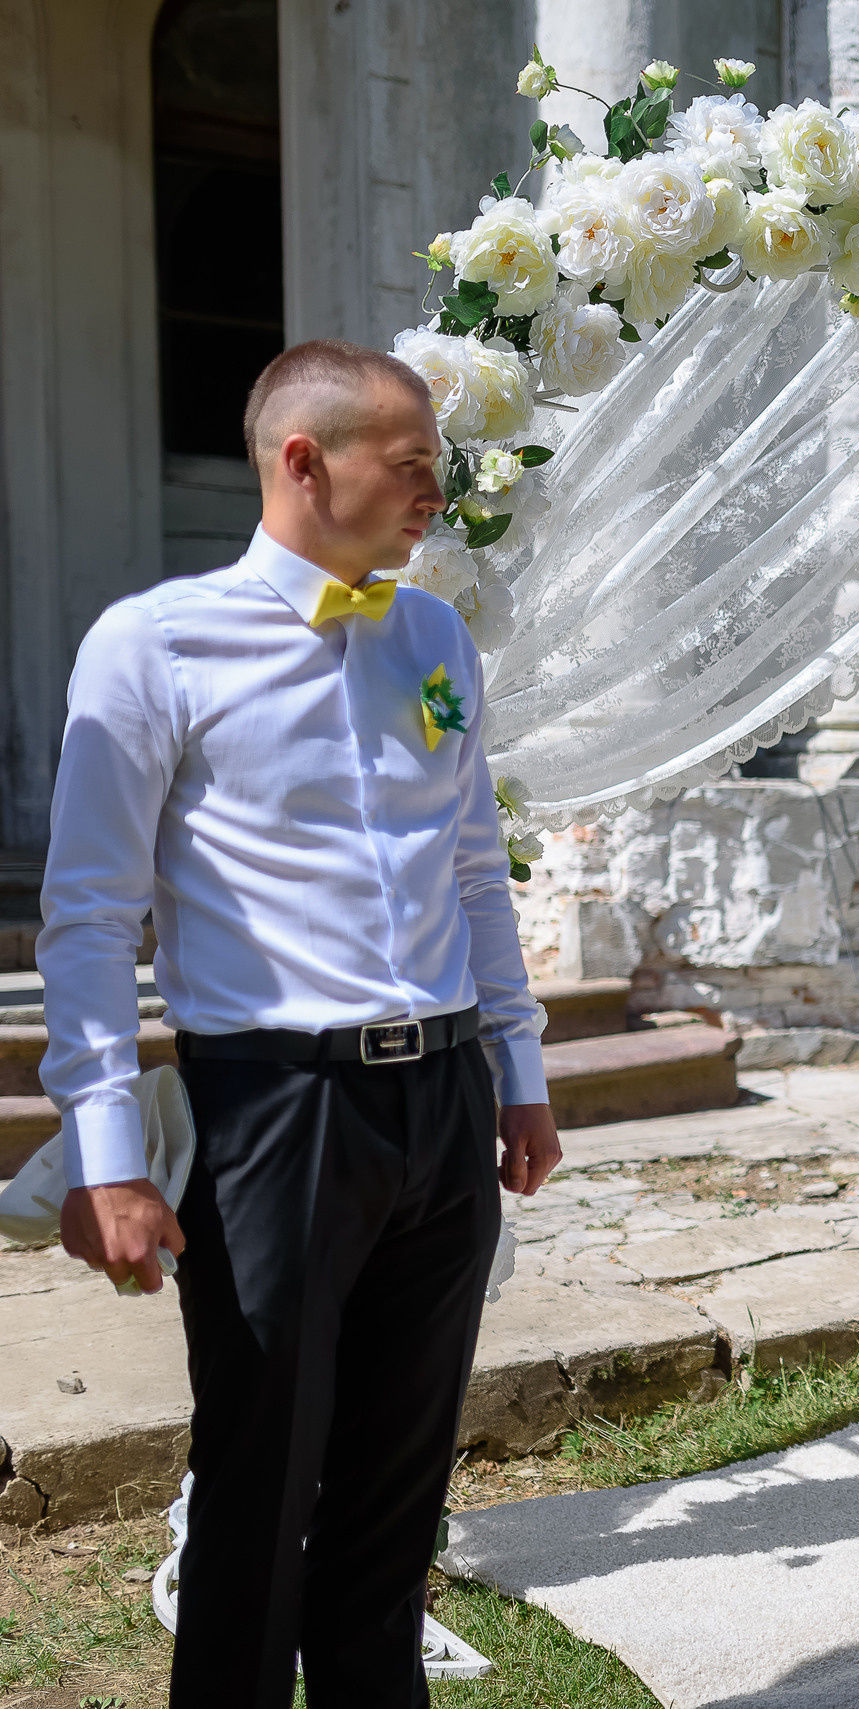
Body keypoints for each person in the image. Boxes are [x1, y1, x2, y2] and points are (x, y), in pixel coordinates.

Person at [38, 340, 558, 1706]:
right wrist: (104, 1152)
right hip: (277, 1110)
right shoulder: (153, 647)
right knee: (262, 1488)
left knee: (398, 1494)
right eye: (412, 468)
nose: (434, 495)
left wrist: (519, 1071)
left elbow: (470, 869)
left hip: (441, 1106)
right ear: (303, 462)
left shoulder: (436, 638)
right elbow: (90, 917)